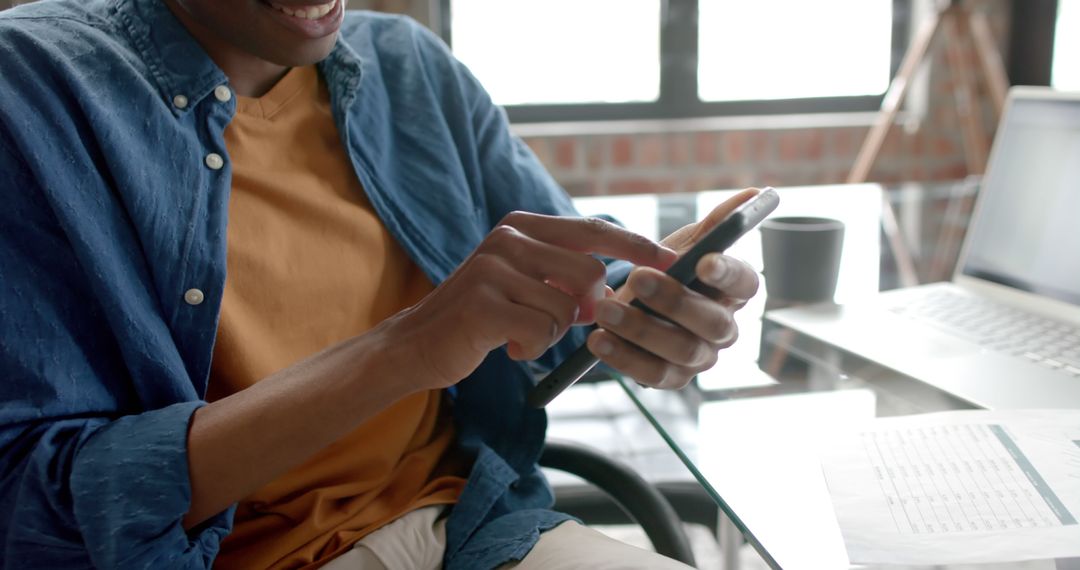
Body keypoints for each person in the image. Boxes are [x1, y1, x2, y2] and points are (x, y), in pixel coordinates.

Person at [0, 0, 760, 568]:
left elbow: (573, 302)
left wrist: (646, 310)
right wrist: (407, 349)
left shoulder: (408, 67)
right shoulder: (31, 92)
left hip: (470, 532)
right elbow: (29, 506)